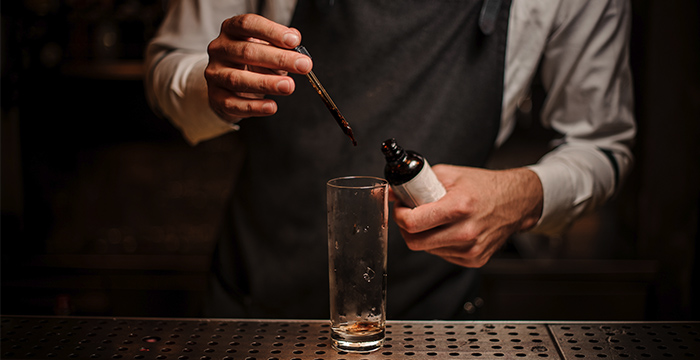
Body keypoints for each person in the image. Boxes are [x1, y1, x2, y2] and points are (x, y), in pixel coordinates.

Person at [145, 0, 635, 319]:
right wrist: (209, 85)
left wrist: (524, 195)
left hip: (435, 320)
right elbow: (169, 61)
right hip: (255, 304)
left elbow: (602, 144)